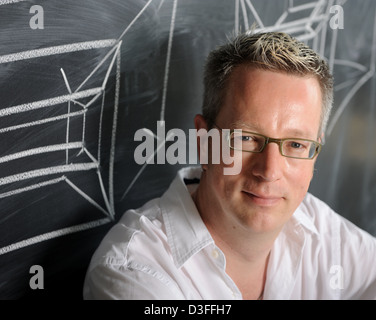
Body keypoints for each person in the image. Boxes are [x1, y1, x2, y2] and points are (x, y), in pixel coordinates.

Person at [83, 31, 376, 300]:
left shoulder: (321, 232)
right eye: (246, 138)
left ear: (314, 154)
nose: (269, 171)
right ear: (204, 140)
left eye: (296, 145)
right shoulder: (134, 270)